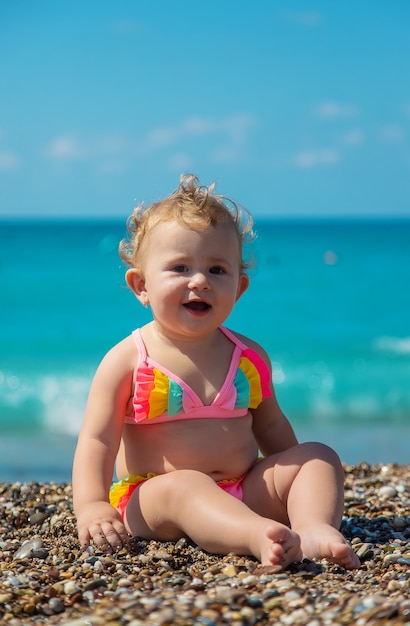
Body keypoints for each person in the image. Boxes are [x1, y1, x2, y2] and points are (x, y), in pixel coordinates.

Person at [72, 174, 360, 570]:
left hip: (242, 490)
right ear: (141, 286)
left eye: (217, 270)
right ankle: (255, 535)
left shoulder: (248, 356)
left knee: (317, 456)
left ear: (239, 289)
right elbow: (97, 441)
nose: (200, 281)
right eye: (179, 267)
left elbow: (272, 428)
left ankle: (310, 528)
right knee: (189, 484)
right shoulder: (128, 359)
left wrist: (291, 479)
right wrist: (91, 506)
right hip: (156, 498)